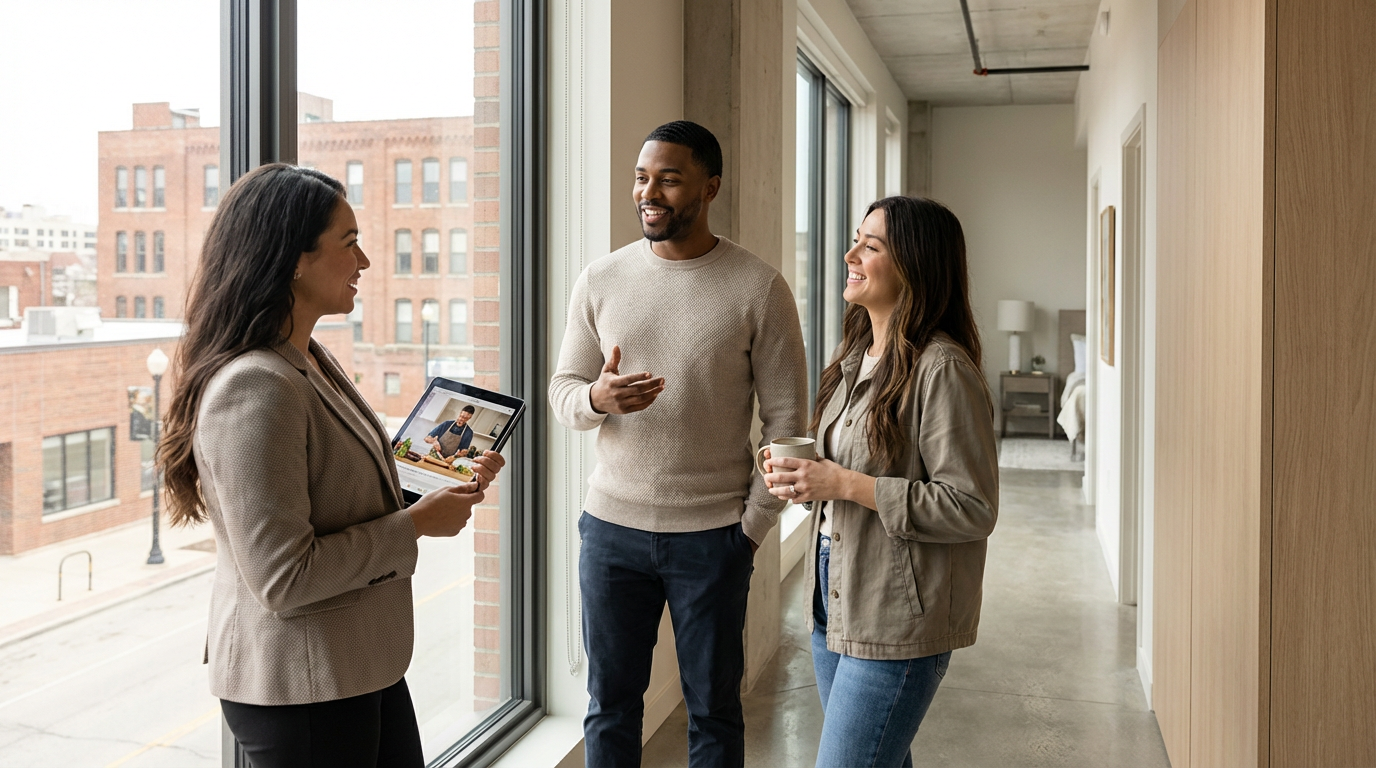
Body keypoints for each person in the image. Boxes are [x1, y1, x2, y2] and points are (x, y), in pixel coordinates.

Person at [156, 163, 505, 768]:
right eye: (349, 244)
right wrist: (416, 525)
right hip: (302, 687)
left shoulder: (307, 358)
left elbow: (334, 489)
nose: (365, 261)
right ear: (295, 260)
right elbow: (284, 578)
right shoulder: (256, 387)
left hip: (353, 665)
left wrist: (429, 487)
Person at [549, 120, 807, 767]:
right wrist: (595, 400)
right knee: (609, 705)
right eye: (642, 177)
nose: (649, 192)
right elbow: (563, 391)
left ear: (710, 186)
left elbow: (790, 430)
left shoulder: (758, 288)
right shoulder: (600, 279)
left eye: (668, 177)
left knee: (714, 711)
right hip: (610, 533)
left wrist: (749, 530)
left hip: (713, 538)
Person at [763, 197, 998, 768]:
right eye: (856, 240)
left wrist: (844, 483)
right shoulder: (855, 358)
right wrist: (805, 479)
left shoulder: (941, 369)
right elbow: (843, 470)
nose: (850, 255)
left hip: (896, 616)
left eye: (871, 246)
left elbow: (971, 506)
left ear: (915, 264)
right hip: (833, 598)